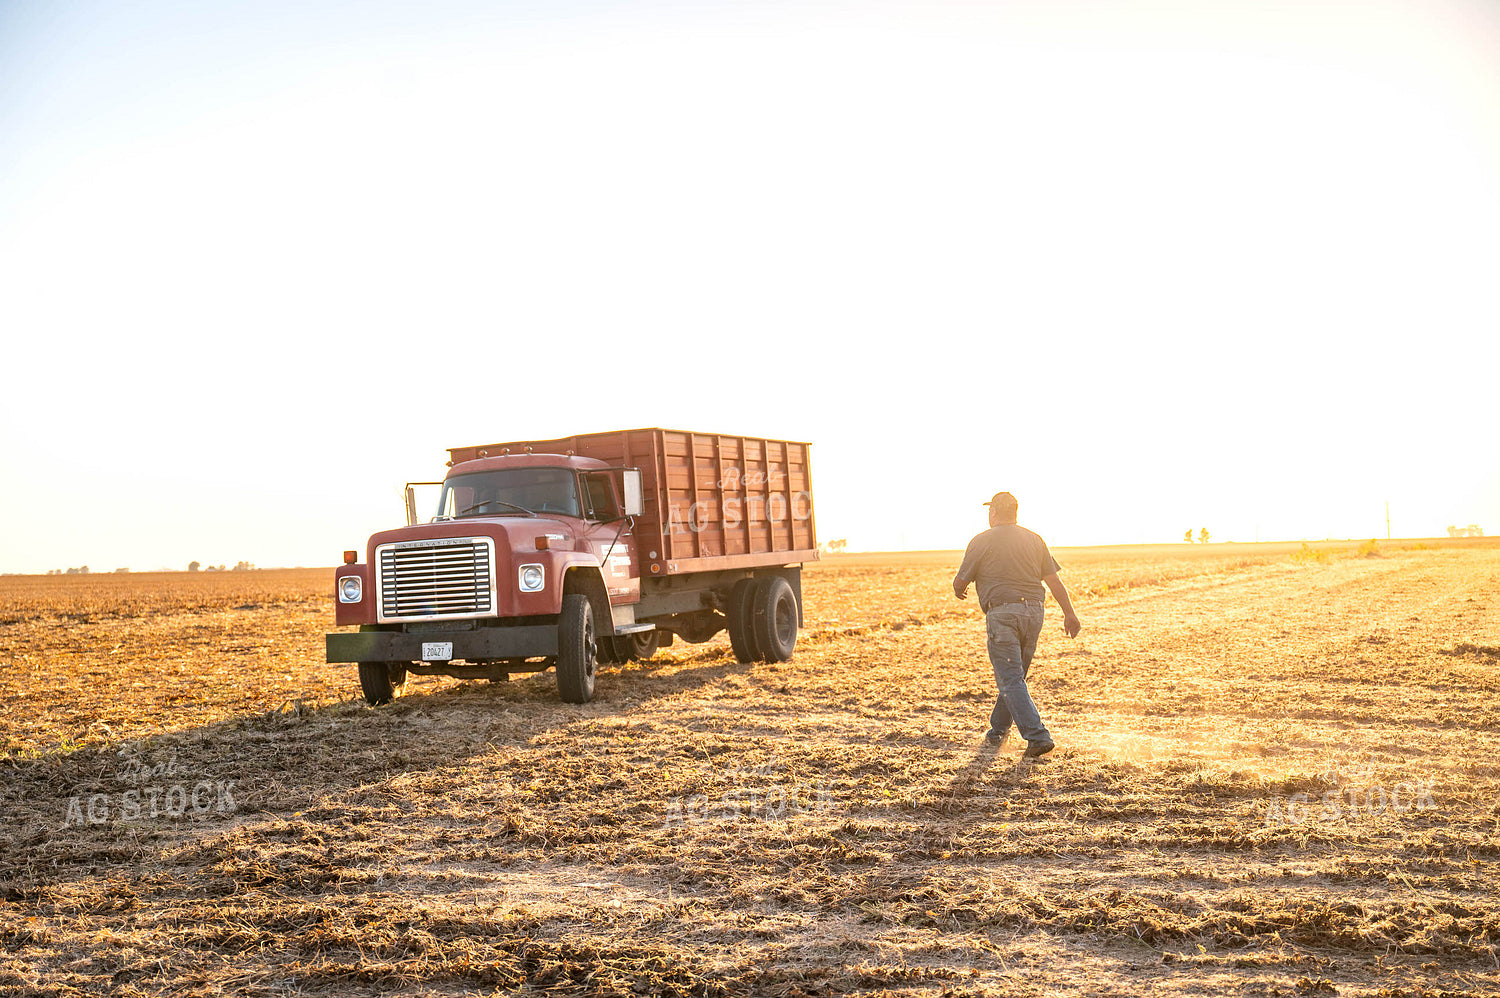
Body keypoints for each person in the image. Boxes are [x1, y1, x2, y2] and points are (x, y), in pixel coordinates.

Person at [952, 492, 1081, 758]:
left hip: (1003, 613)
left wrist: (959, 589)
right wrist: (1070, 613)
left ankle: (1037, 736)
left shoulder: (981, 541)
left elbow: (960, 582)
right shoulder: (1034, 539)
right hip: (1035, 612)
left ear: (994, 513)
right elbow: (1053, 582)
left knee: (1010, 678)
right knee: (1015, 677)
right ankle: (997, 731)